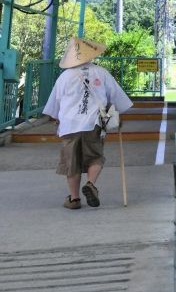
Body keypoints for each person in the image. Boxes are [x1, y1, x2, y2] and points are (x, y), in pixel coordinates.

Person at [43, 37, 133, 209]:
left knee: (72, 162)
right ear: (89, 55)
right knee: (95, 156)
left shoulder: (64, 77)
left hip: (69, 125)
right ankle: (91, 184)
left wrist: (58, 120)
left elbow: (55, 105)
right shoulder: (101, 73)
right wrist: (119, 116)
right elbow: (117, 99)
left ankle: (74, 199)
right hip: (93, 123)